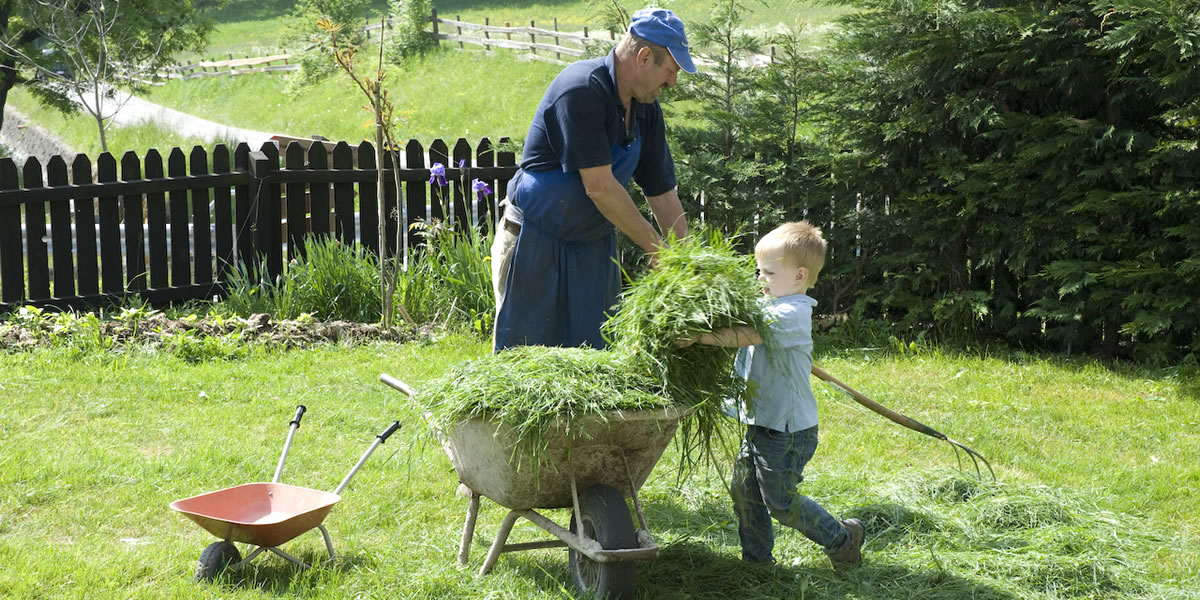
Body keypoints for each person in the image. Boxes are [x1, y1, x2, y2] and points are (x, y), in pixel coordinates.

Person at [491, 7, 694, 351]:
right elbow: (598, 187)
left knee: (594, 363)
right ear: (645, 57)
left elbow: (662, 194)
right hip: (535, 244)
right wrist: (659, 251)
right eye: (670, 71)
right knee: (527, 366)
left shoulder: (646, 110)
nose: (673, 82)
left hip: (592, 250)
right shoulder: (582, 89)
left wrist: (689, 264)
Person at [680, 221, 865, 568]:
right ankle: (757, 562)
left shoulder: (793, 313)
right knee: (745, 492)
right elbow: (740, 317)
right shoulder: (769, 304)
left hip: (788, 431)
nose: (759, 279)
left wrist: (698, 337)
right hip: (762, 421)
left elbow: (745, 335)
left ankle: (841, 538)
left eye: (768, 272)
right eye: (757, 271)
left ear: (798, 275)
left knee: (780, 501)